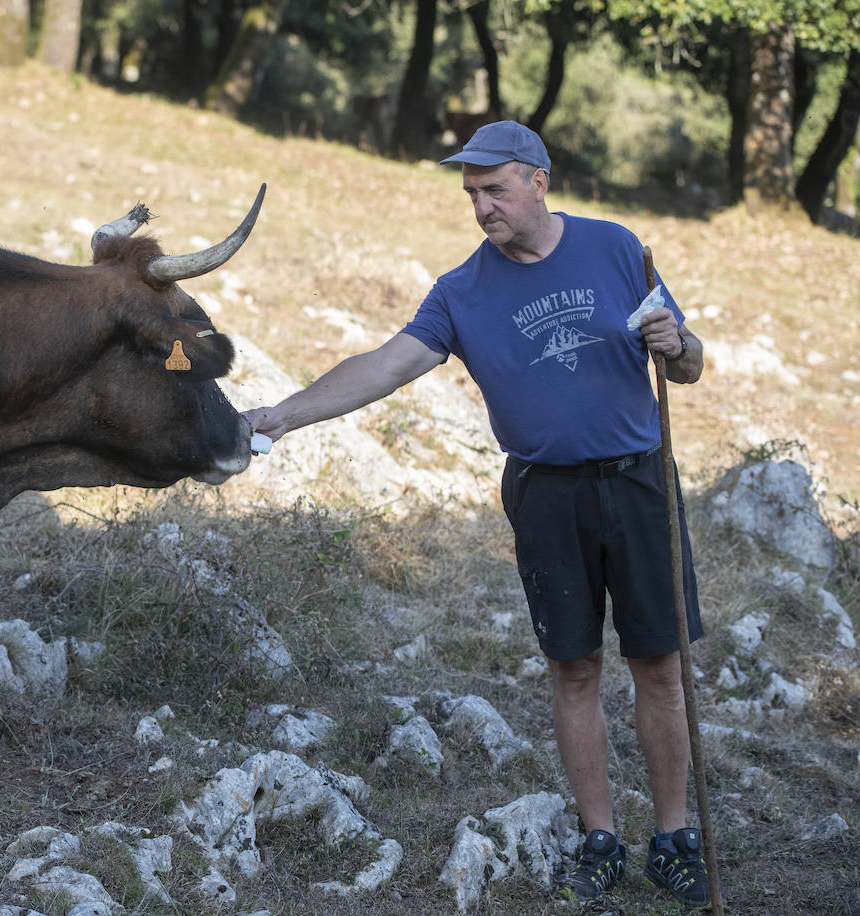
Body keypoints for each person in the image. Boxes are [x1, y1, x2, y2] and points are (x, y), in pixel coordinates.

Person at [243, 121, 711, 907]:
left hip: (639, 484)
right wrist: (286, 413)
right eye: (470, 194)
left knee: (659, 668)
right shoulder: (462, 291)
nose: (481, 208)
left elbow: (689, 366)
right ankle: (601, 838)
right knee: (574, 668)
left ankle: (674, 838)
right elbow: (387, 365)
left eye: (494, 189)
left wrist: (679, 340)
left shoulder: (618, 249)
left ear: (539, 181)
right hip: (545, 492)